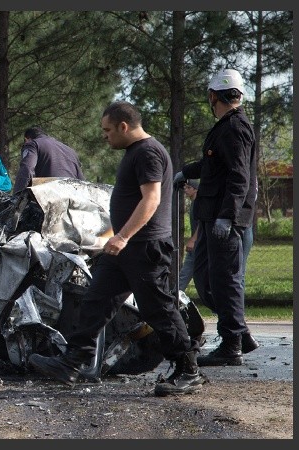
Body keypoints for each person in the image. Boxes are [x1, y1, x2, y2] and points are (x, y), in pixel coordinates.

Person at [28, 100, 206, 397]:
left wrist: (122, 236)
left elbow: (151, 200)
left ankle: (188, 370)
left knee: (159, 309)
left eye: (108, 130)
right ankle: (73, 362)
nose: (104, 135)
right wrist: (115, 239)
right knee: (96, 300)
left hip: (144, 247)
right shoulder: (135, 152)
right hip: (125, 249)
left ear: (124, 126)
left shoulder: (148, 152)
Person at [173, 68, 259, 365]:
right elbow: (215, 166)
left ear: (213, 96)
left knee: (225, 280)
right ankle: (240, 333)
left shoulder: (235, 127)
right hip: (211, 215)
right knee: (207, 279)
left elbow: (239, 177)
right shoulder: (226, 126)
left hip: (225, 218)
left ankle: (232, 345)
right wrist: (186, 171)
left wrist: (227, 216)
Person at [11, 125, 85, 193]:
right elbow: (81, 180)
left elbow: (27, 168)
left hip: (50, 196)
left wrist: (17, 196)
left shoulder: (32, 144)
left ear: (27, 139)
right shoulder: (70, 150)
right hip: (73, 196)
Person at [177, 179, 200, 292]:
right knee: (185, 274)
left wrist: (193, 240)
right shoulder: (193, 203)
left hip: (198, 244)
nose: (185, 190)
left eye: (188, 188)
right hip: (197, 244)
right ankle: (175, 297)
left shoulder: (198, 204)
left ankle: (175, 297)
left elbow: (201, 223)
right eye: (185, 187)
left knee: (186, 273)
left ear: (195, 189)